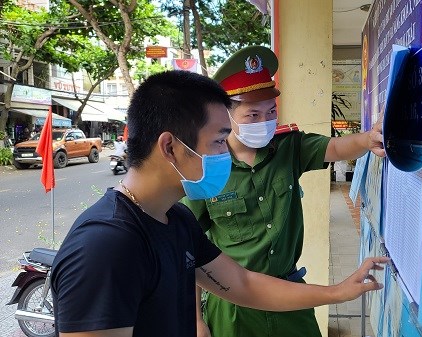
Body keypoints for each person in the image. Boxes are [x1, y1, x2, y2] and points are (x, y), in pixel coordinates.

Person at [50, 70, 388, 337]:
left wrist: (338, 292)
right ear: (170, 147)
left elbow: (242, 284)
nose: (224, 154)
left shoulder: (177, 221)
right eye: (217, 142)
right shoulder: (105, 245)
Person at [181, 46, 386, 337]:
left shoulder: (288, 147)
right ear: (226, 116)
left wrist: (368, 139)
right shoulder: (207, 169)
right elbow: (188, 249)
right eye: (252, 114)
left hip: (290, 296)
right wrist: (197, 322)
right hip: (232, 305)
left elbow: (335, 147)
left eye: (270, 112)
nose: (263, 121)